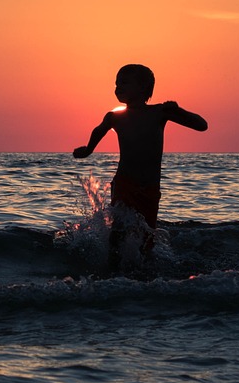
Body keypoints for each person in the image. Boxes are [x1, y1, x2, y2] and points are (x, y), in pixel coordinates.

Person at [73, 64, 208, 275]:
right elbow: (98, 130)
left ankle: (142, 273)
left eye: (124, 82)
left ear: (143, 87)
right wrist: (88, 150)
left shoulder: (159, 112)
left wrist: (178, 111)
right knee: (118, 231)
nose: (118, 86)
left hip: (150, 188)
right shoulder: (114, 117)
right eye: (116, 83)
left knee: (146, 236)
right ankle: (113, 270)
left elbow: (202, 125)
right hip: (125, 183)